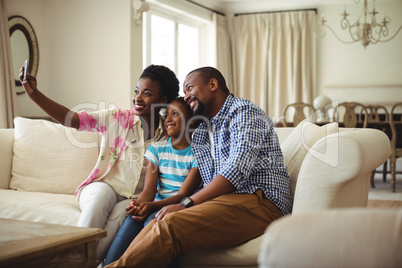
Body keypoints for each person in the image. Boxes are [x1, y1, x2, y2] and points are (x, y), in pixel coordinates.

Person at [105, 66, 293, 268]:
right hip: (230, 200)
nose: (186, 96)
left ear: (212, 84)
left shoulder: (244, 112)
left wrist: (185, 203)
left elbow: (234, 173)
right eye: (184, 92)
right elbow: (208, 181)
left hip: (262, 201)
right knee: (157, 222)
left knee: (170, 225)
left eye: (189, 88)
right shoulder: (203, 131)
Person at [19, 64, 179, 260]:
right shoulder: (117, 118)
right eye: (136, 91)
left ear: (163, 100)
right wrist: (35, 94)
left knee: (121, 216)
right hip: (104, 186)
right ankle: (73, 258)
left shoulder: (169, 135)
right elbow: (73, 120)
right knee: (100, 200)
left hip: (135, 198)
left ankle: (76, 263)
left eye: (146, 94)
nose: (137, 98)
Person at [104, 97, 202, 265]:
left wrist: (151, 207)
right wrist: (138, 205)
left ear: (192, 122)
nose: (168, 119)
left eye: (175, 114)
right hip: (155, 206)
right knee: (130, 223)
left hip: (178, 209)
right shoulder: (156, 149)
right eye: (166, 115)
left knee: (151, 224)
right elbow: (148, 191)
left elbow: (183, 194)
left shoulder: (198, 154)